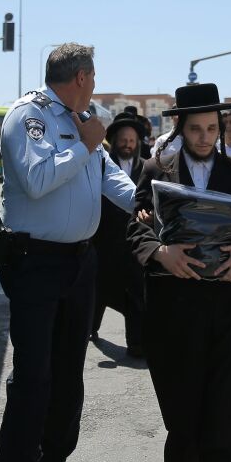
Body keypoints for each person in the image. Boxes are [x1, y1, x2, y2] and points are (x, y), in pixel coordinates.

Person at [0, 43, 136, 462]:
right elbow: (36, 179)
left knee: (69, 378)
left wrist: (150, 202)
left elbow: (108, 178)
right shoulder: (26, 117)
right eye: (92, 78)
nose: (94, 87)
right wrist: (85, 145)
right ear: (81, 76)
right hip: (36, 265)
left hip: (81, 264)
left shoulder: (87, 119)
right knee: (33, 380)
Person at [127, 83, 231, 462]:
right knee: (181, 406)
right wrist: (160, 253)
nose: (205, 137)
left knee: (223, 408)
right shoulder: (154, 169)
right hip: (172, 310)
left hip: (226, 306)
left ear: (222, 126)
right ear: (180, 129)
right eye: (196, 129)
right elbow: (135, 227)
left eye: (212, 128)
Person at [92, 111, 148, 355]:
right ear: (114, 141)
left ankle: (137, 344)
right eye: (123, 140)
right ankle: (90, 327)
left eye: (132, 141)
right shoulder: (101, 162)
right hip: (104, 240)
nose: (128, 145)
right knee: (99, 290)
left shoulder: (146, 167)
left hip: (135, 243)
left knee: (137, 293)